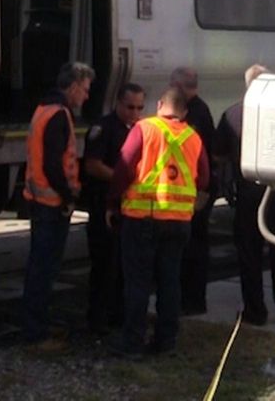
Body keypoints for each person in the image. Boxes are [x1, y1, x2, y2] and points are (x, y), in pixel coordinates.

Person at [106, 87, 210, 355]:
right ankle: (166, 342)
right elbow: (204, 179)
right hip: (179, 222)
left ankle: (132, 343)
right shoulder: (194, 137)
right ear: (184, 112)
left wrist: (112, 203)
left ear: (160, 104)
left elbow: (123, 168)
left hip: (143, 218)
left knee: (138, 283)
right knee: (170, 282)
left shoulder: (144, 129)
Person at [213, 64, 275, 326]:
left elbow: (218, 154)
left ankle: (255, 311)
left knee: (249, 254)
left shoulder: (233, 114)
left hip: (248, 193)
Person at [20, 61, 94, 344]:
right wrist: (68, 196)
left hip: (40, 200)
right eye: (84, 89)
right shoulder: (59, 115)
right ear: (73, 87)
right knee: (44, 269)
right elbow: (53, 165)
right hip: (51, 205)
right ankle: (36, 332)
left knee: (39, 267)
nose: (86, 96)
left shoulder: (43, 109)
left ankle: (36, 326)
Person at [81, 82, 145, 333]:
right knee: (104, 265)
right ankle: (97, 319)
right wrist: (123, 180)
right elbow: (93, 165)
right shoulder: (104, 128)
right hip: (103, 203)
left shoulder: (140, 129)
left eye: (139, 107)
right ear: (118, 103)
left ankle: (119, 316)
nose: (134, 112)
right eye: (130, 107)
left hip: (128, 206)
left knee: (124, 266)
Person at [170, 66, 215, 316]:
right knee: (192, 246)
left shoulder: (195, 114)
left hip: (194, 191)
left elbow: (200, 159)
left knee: (193, 247)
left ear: (179, 86)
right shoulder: (201, 110)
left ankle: (193, 300)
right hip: (194, 189)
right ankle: (191, 300)